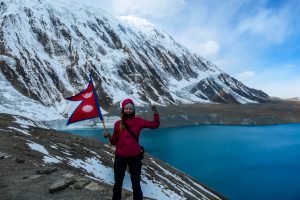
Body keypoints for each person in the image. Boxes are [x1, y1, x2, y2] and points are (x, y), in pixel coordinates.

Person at [103, 98, 160, 200]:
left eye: (130, 108)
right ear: (123, 110)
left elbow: (155, 125)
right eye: (126, 108)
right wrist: (108, 136)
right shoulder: (118, 124)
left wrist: (155, 112)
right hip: (120, 157)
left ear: (133, 110)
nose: (128, 110)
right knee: (118, 183)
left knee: (136, 183)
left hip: (135, 157)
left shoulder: (139, 121)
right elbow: (114, 141)